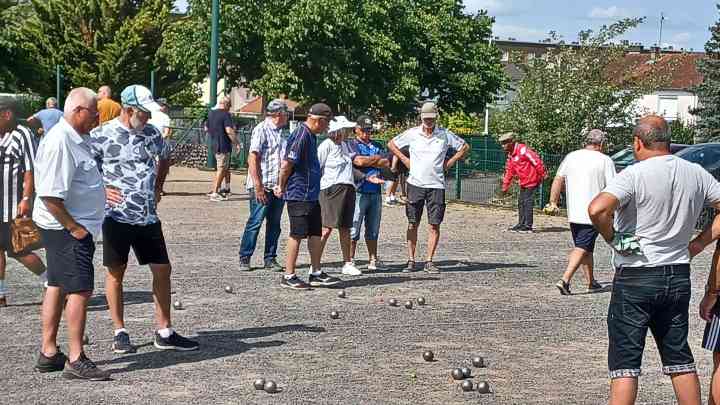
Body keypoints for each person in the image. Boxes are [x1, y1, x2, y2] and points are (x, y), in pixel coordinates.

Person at [588, 115, 720, 405]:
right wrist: (698, 244)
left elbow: (597, 209)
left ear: (638, 142)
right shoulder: (695, 173)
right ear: (668, 142)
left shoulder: (634, 174)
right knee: (679, 357)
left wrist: (616, 240)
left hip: (636, 273)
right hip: (677, 272)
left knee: (625, 364)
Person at [90, 85, 199, 354]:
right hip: (116, 216)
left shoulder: (152, 133)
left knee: (162, 269)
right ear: (128, 110)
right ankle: (120, 331)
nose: (148, 117)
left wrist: (159, 185)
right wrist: (101, 190)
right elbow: (86, 170)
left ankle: (165, 331)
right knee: (116, 271)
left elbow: (165, 156)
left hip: (148, 216)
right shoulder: (100, 135)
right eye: (144, 112)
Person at [33, 87, 122, 380]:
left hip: (65, 227)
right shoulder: (61, 141)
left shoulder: (75, 137)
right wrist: (75, 228)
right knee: (80, 289)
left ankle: (48, 352)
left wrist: (99, 191)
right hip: (66, 229)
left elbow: (77, 180)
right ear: (78, 111)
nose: (97, 119)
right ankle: (76, 357)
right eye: (94, 114)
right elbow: (50, 195)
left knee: (56, 284)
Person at [387, 102, 469, 273]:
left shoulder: (445, 134)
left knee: (434, 224)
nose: (429, 121)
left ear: (436, 117)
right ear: (421, 118)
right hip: (415, 184)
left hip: (436, 185)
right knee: (412, 223)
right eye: (426, 118)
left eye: (431, 118)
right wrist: (405, 159)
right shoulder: (412, 133)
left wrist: (450, 162)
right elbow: (391, 144)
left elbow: (464, 147)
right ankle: (411, 260)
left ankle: (429, 261)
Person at [276, 103, 342, 289]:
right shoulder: (301, 135)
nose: (327, 127)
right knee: (297, 234)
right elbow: (287, 164)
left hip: (311, 194)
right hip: (299, 193)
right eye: (327, 123)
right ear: (319, 120)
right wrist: (281, 185)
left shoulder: (311, 136)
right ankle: (289, 275)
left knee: (315, 233)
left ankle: (316, 272)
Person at [547, 129, 615, 295]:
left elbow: (558, 179)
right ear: (601, 144)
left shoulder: (571, 156)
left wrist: (553, 202)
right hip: (594, 212)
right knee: (582, 247)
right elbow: (614, 187)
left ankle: (591, 282)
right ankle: (565, 280)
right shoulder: (605, 160)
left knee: (586, 248)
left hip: (574, 212)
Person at [0, 97, 47, 307]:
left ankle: (50, 280)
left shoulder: (22, 134)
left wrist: (26, 198)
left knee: (18, 250)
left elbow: (30, 170)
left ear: (7, 114)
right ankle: (0, 293)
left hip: (13, 205)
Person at [238, 99, 290, 272]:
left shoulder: (282, 133)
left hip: (277, 187)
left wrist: (282, 184)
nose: (287, 117)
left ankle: (270, 258)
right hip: (263, 185)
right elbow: (252, 158)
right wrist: (258, 186)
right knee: (255, 222)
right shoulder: (261, 129)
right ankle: (245, 256)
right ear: (279, 114)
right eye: (286, 113)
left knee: (275, 224)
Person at [317, 116, 363, 276]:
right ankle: (315, 264)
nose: (348, 132)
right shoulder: (326, 145)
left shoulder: (344, 145)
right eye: (346, 129)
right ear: (337, 131)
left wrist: (364, 177)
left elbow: (349, 168)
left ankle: (347, 263)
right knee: (325, 229)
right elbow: (317, 168)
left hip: (347, 189)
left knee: (345, 228)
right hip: (330, 190)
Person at [347, 115, 391, 270]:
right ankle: (350, 260)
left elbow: (386, 162)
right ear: (356, 129)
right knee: (354, 227)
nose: (367, 133)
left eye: (369, 130)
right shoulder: (352, 144)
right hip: (358, 190)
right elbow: (357, 161)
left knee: (373, 228)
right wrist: (376, 159)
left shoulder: (377, 144)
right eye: (364, 130)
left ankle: (373, 259)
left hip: (376, 192)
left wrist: (368, 160)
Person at [499, 132, 546, 233]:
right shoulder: (511, 155)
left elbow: (536, 161)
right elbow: (509, 171)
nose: (503, 146)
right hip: (524, 181)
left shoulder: (523, 150)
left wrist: (543, 174)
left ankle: (528, 226)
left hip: (532, 179)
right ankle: (521, 224)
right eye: (502, 143)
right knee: (521, 202)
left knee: (527, 202)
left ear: (511, 142)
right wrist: (505, 186)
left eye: (504, 143)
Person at [206, 97, 237, 201]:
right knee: (221, 169)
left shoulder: (211, 113)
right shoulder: (226, 114)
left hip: (214, 144)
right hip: (223, 145)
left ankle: (221, 189)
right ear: (227, 105)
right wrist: (237, 143)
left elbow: (206, 128)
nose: (229, 108)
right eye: (229, 106)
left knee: (223, 168)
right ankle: (215, 192)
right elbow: (229, 130)